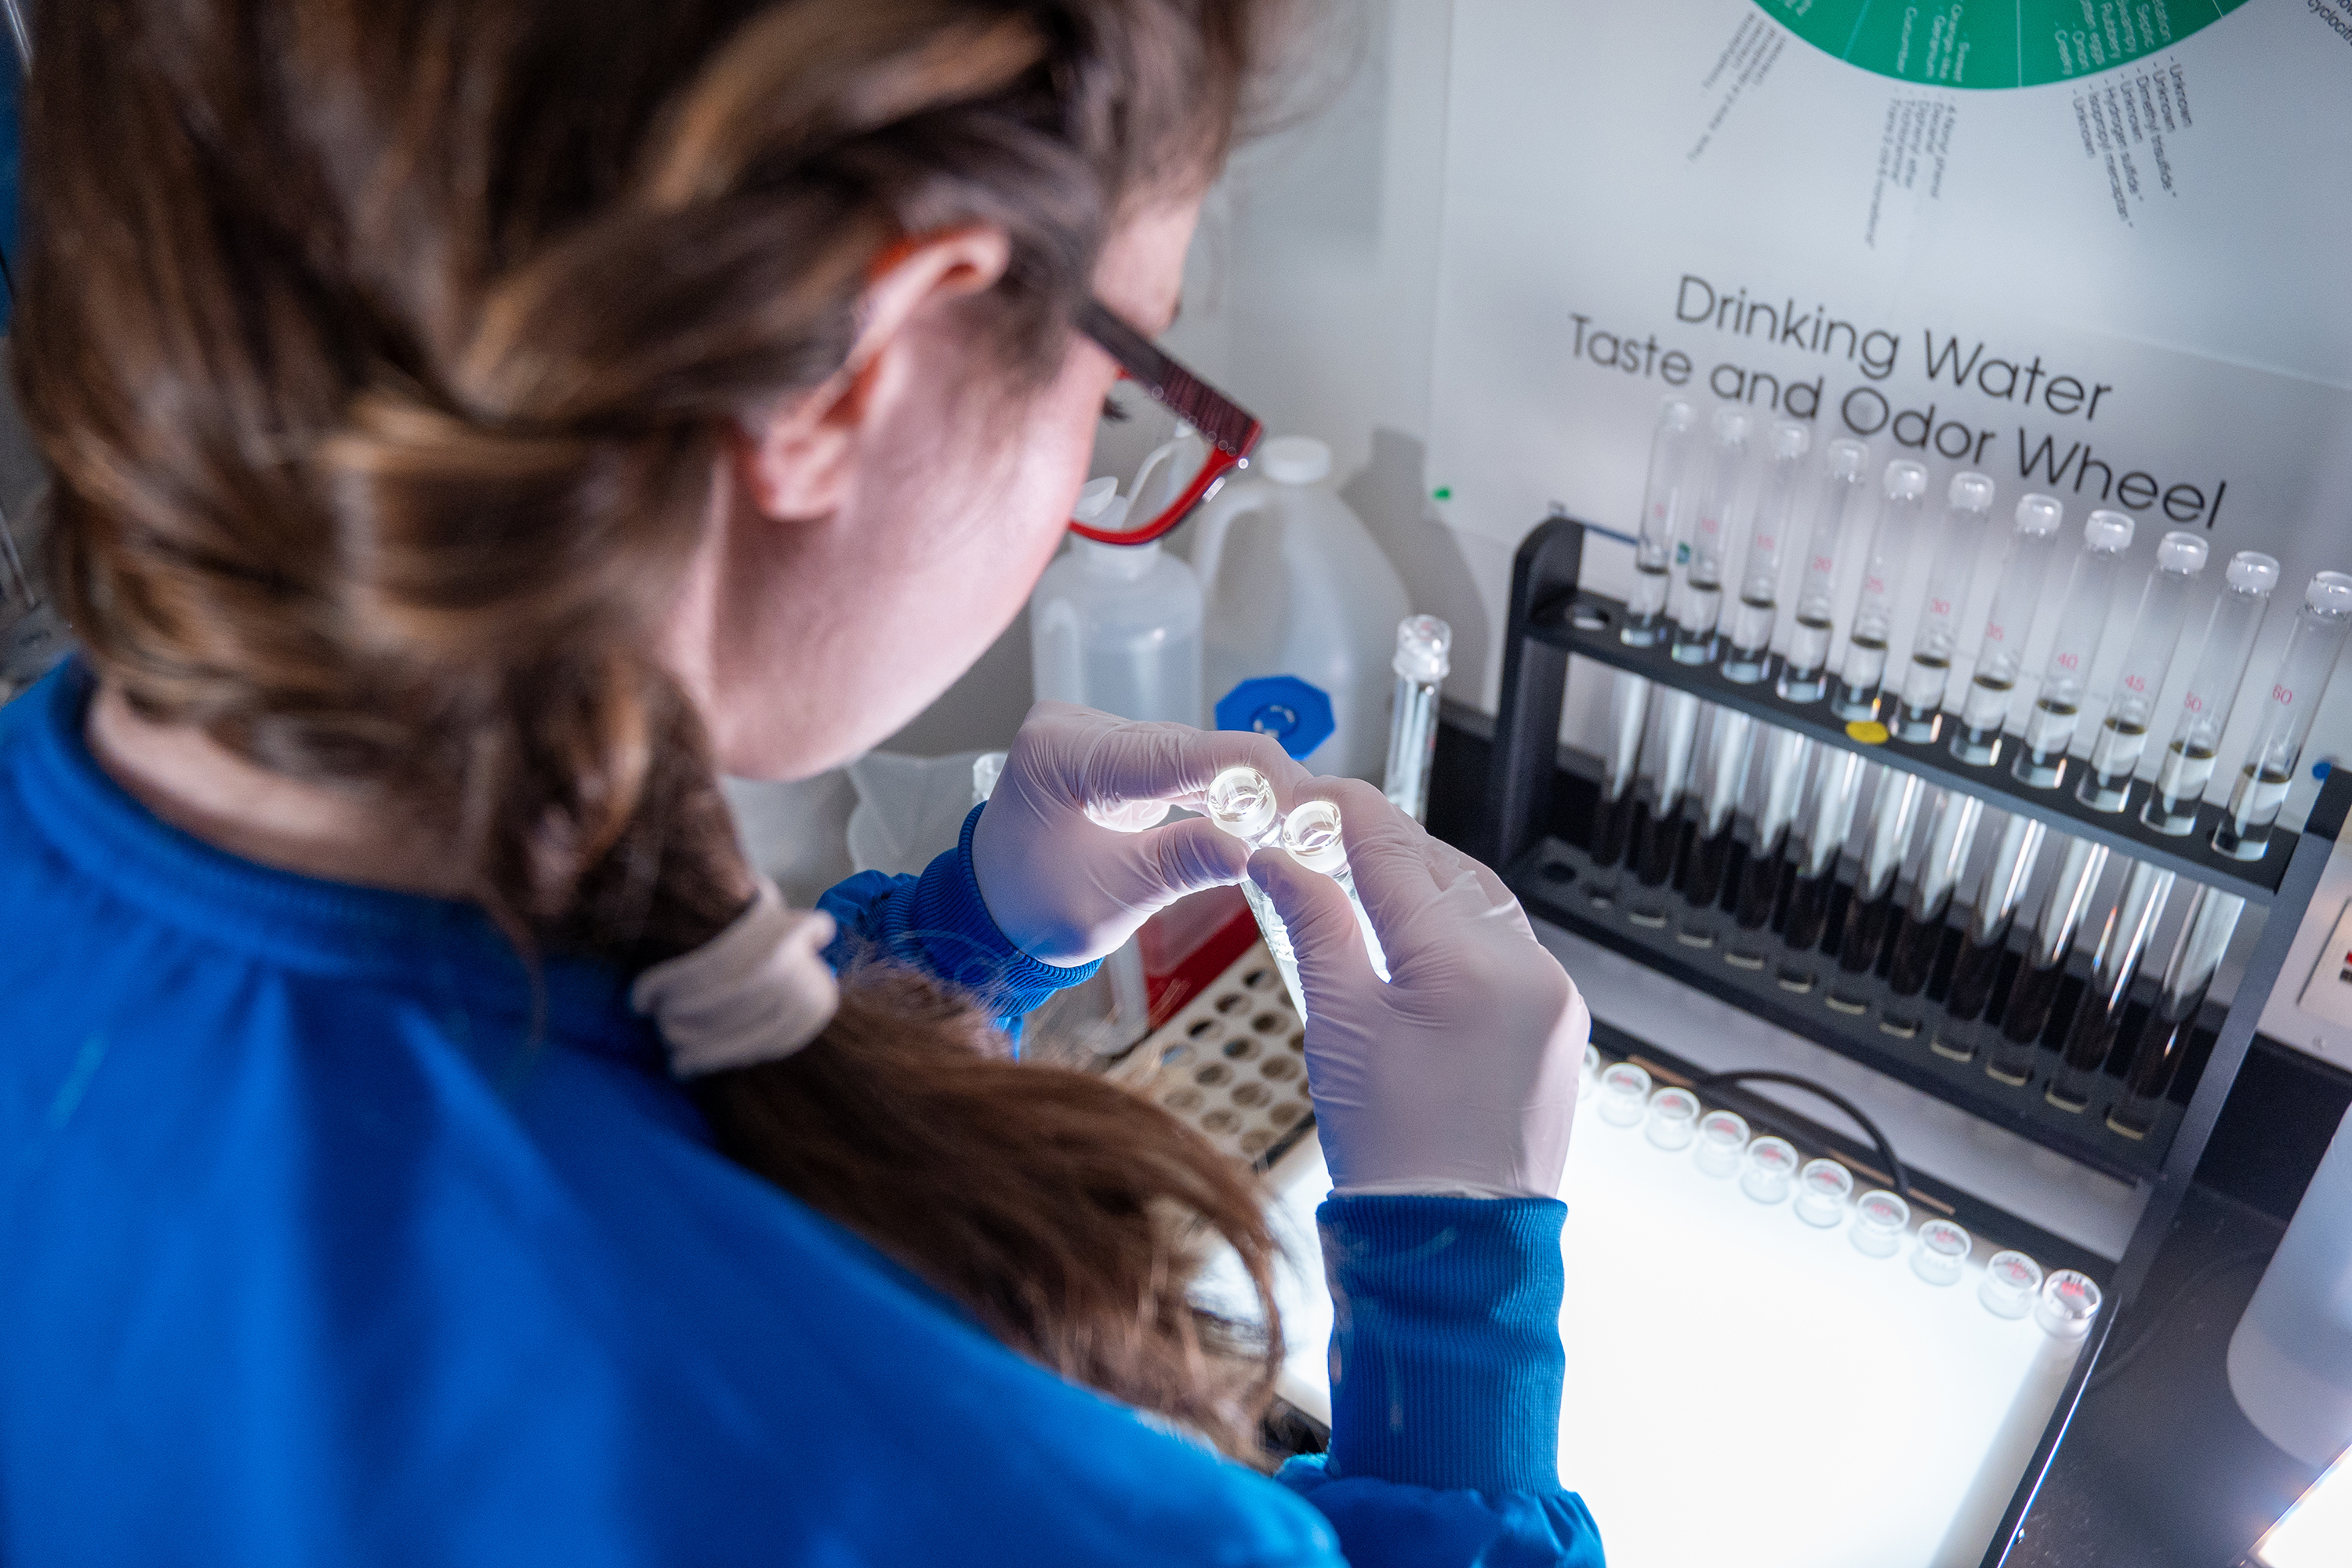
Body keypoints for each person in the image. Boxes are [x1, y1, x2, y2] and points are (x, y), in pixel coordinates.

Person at [0, 2, 1603, 1564]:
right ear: (853, 373)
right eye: (1122, 376)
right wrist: (1457, 1289)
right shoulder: (993, 1501)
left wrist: (951, 950)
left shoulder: (64, 795)